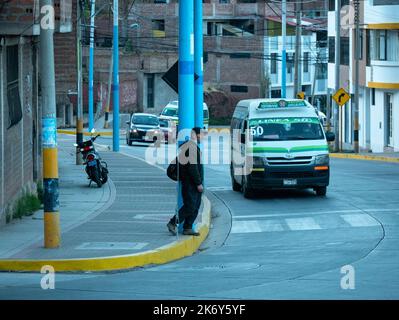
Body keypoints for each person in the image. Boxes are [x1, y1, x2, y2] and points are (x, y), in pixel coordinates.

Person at [167, 127, 204, 236]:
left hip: (193, 183)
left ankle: (188, 227)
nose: (202, 137)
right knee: (190, 206)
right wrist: (198, 183)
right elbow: (192, 168)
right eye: (201, 134)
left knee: (195, 206)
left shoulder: (193, 147)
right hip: (190, 184)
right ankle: (173, 222)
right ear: (195, 135)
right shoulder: (191, 148)